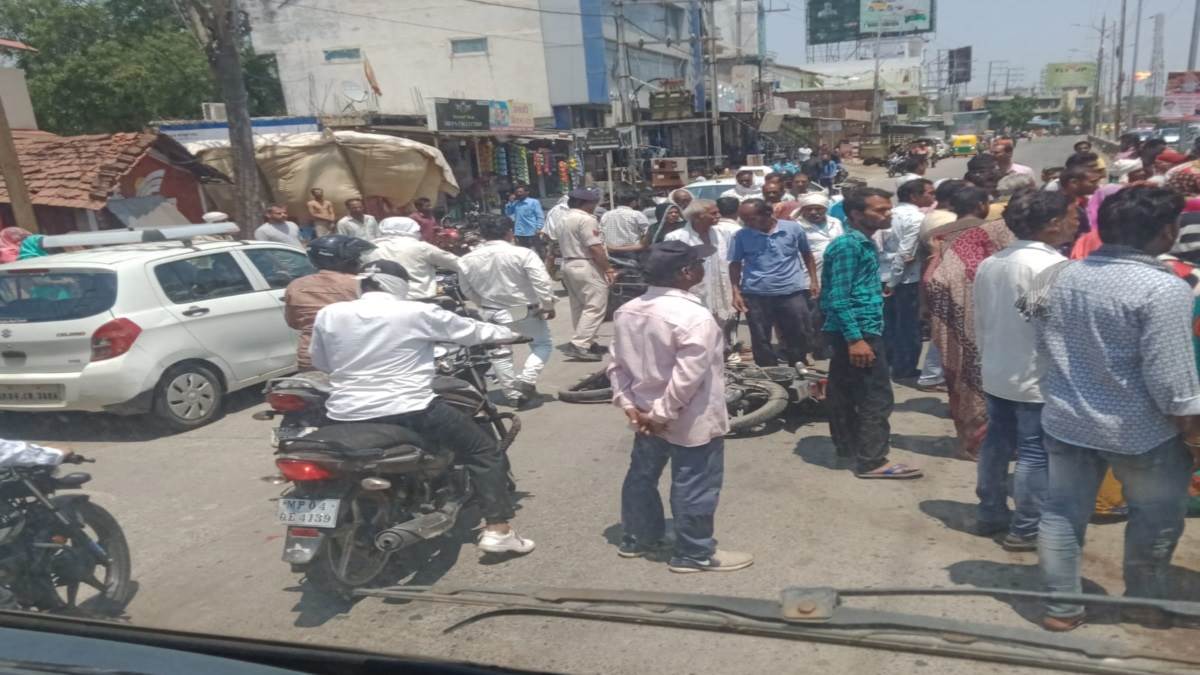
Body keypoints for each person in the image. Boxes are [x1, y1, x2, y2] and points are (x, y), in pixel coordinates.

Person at [1031, 187, 1200, 631]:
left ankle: (1061, 608)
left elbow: (1037, 334)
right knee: (1155, 519)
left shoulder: (1054, 274)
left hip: (1066, 420)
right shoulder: (1165, 289)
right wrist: (1192, 431)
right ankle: (1143, 604)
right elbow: (1172, 382)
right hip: (1141, 432)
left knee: (1062, 512)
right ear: (1165, 232)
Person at [310, 259, 534, 556]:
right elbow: (472, 331)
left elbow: (321, 361)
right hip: (410, 409)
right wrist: (511, 334)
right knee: (483, 450)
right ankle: (498, 530)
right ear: (400, 285)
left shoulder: (329, 313)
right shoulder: (416, 311)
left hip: (344, 411)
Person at [609, 240, 752, 573]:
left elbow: (617, 364)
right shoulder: (694, 317)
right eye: (698, 264)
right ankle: (694, 553)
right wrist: (662, 414)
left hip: (644, 414)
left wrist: (629, 405)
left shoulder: (627, 310)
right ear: (686, 272)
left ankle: (639, 537)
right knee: (694, 482)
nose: (702, 268)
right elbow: (688, 377)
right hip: (689, 417)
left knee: (642, 475)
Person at [972, 189, 1076, 552]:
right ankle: (1027, 527)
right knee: (1034, 452)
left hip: (997, 368)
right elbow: (1054, 327)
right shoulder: (1052, 267)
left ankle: (990, 512)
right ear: (1053, 223)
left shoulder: (993, 261)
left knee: (997, 443)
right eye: (1072, 215)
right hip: (1036, 375)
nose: (1077, 222)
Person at [821, 188, 922, 479]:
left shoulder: (863, 243)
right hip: (858, 331)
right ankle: (872, 461)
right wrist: (856, 339)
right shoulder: (849, 246)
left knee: (844, 391)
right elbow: (838, 297)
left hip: (856, 328)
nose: (888, 214)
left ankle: (850, 448)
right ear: (856, 214)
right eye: (879, 210)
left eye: (888, 208)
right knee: (875, 397)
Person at [927, 186, 1014, 460]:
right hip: (985, 317)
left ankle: (967, 441)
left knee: (957, 379)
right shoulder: (994, 232)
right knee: (988, 380)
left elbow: (927, 276)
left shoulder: (936, 234)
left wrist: (927, 312)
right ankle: (986, 443)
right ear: (980, 205)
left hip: (946, 318)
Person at [457, 215, 556, 408]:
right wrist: (547, 305)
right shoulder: (523, 253)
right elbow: (542, 282)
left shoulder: (466, 259)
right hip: (521, 310)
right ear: (510, 232)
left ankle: (513, 395)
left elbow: (466, 290)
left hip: (491, 311)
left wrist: (483, 304)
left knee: (500, 353)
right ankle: (526, 380)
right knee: (542, 343)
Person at [729, 199, 819, 367]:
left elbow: (807, 254)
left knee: (798, 332)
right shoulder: (741, 235)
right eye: (744, 220)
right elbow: (735, 264)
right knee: (760, 337)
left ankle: (798, 365)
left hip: (791, 291)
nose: (747, 223)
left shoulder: (793, 228)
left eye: (751, 219)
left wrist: (813, 281)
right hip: (755, 293)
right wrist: (736, 292)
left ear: (767, 213)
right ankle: (769, 371)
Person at [284, 235, 375, 370]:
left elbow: (293, 322)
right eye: (356, 258)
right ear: (346, 260)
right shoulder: (360, 284)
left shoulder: (296, 285)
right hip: (352, 358)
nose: (359, 262)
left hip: (309, 358)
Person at [880, 178, 934, 380]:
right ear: (914, 196)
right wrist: (893, 282)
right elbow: (906, 253)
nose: (932, 196)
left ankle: (889, 363)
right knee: (908, 326)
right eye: (929, 192)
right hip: (904, 280)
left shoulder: (890, 214)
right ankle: (904, 368)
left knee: (889, 324)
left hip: (884, 274)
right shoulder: (916, 218)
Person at [665, 199, 739, 346]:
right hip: (691, 292)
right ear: (698, 216)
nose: (719, 216)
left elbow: (731, 262)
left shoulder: (723, 234)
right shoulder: (675, 237)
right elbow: (671, 269)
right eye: (713, 213)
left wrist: (736, 290)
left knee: (721, 326)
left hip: (719, 290)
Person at [559, 187, 613, 361]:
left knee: (579, 306)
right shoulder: (586, 219)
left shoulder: (563, 218)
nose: (595, 207)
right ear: (585, 203)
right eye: (593, 203)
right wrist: (608, 269)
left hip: (568, 262)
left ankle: (587, 341)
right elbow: (594, 247)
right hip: (585, 263)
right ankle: (580, 344)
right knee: (595, 306)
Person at [364, 216, 459, 300]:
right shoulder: (420, 247)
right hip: (419, 298)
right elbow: (457, 263)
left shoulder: (370, 249)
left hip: (382, 300)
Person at [793, 192, 844, 277]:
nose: (813, 212)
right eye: (809, 209)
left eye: (818, 209)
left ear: (825, 209)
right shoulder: (796, 226)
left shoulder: (836, 222)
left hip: (837, 269)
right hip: (809, 274)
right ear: (803, 211)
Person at [504, 183, 545, 254]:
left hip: (532, 232)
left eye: (520, 192)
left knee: (536, 251)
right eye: (517, 192)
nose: (518, 194)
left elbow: (540, 216)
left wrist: (539, 228)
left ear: (527, 192)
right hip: (519, 233)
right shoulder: (515, 203)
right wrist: (510, 202)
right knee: (522, 252)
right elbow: (508, 213)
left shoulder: (533, 202)